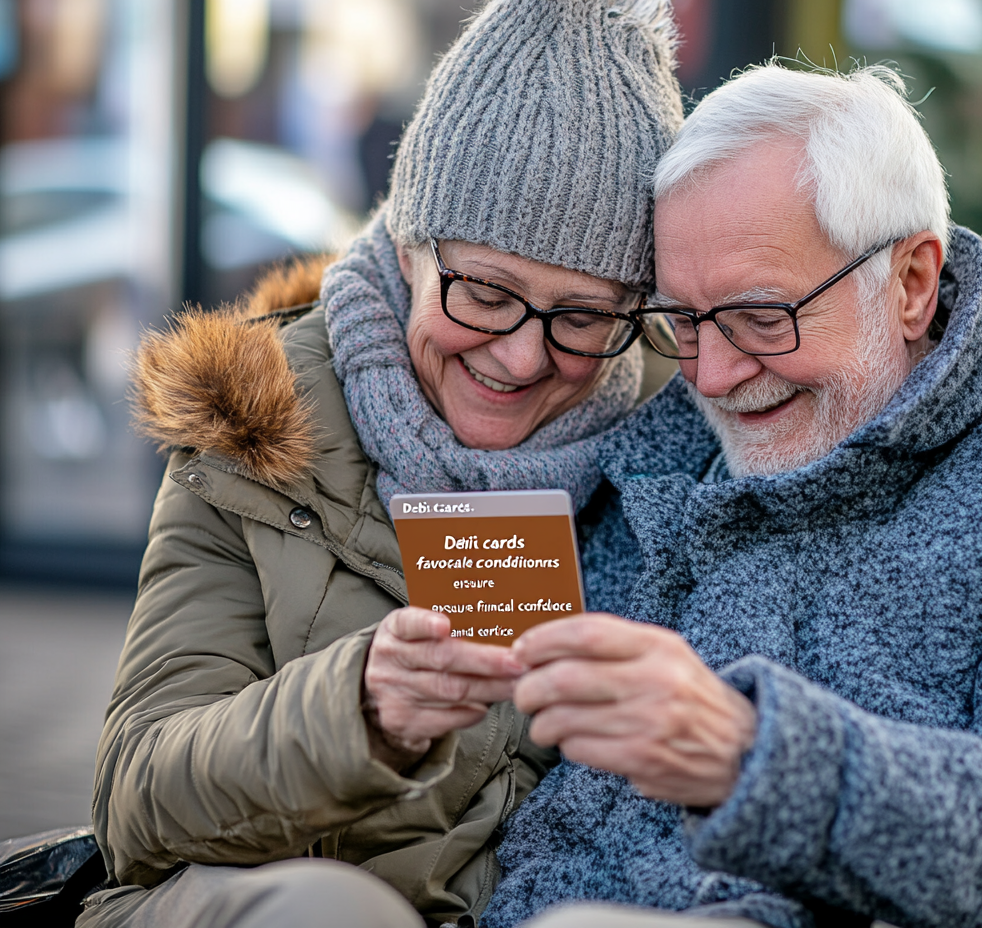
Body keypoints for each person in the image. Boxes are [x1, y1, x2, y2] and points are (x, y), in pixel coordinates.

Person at [469, 64, 982, 928]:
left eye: (762, 318)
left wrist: (753, 754)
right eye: (684, 322)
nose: (713, 376)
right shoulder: (653, 451)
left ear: (909, 283)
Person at [80, 3, 681, 927]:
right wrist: (355, 712)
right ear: (408, 247)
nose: (520, 359)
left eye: (583, 317)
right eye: (485, 292)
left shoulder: (676, 455)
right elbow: (133, 802)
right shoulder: (255, 427)